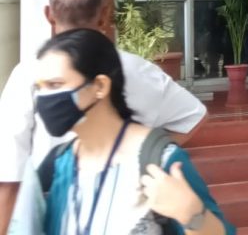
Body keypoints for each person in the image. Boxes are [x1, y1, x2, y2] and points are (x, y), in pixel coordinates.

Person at [0, 0, 207, 234]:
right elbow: (194, 117)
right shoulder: (139, 70)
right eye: (49, 87)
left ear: (49, 14)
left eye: (56, 85)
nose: (50, 94)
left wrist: (145, 151)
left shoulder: (29, 73)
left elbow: (9, 171)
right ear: (105, 14)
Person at [35, 28, 234, 234]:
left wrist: (191, 214)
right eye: (39, 87)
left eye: (55, 85)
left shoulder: (158, 161)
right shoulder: (56, 165)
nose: (43, 98)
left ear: (100, 86)